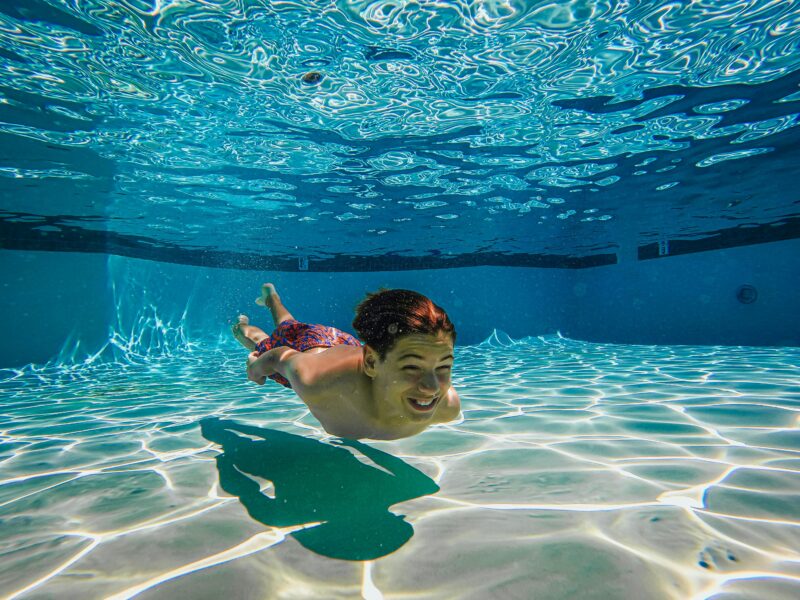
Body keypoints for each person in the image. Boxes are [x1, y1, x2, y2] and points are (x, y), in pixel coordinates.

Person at [232, 283, 461, 440]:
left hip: (349, 346)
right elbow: (276, 355)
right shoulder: (317, 380)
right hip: (310, 346)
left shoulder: (446, 406)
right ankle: (256, 312)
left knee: (288, 325)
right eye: (412, 367)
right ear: (371, 363)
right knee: (263, 339)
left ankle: (271, 297)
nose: (431, 387)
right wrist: (254, 369)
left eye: (443, 367)